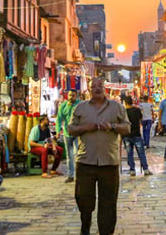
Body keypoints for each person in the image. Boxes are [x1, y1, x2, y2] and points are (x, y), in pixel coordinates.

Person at [68, 78, 130, 235]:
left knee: (108, 202)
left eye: (99, 86)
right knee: (83, 199)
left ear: (105, 88)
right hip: (85, 161)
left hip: (109, 162)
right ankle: (85, 228)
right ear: (89, 90)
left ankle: (106, 232)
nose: (96, 89)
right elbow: (70, 129)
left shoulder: (116, 107)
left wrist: (113, 126)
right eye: (93, 87)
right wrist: (85, 128)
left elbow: (127, 128)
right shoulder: (80, 108)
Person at [122, 96, 151, 176]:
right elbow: (141, 119)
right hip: (136, 134)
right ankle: (145, 169)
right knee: (141, 153)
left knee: (129, 153)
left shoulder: (123, 112)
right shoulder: (137, 110)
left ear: (125, 103)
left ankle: (132, 170)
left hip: (126, 135)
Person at [28, 114, 63, 178]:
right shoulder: (36, 129)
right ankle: (44, 172)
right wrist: (42, 145)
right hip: (34, 147)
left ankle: (53, 170)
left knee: (59, 149)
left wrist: (54, 147)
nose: (48, 121)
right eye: (47, 119)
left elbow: (50, 139)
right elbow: (31, 143)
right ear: (42, 121)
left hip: (43, 145)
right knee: (44, 150)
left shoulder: (46, 129)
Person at [57, 89, 81, 183]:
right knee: (69, 155)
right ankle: (70, 175)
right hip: (67, 134)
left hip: (78, 133)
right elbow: (59, 119)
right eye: (70, 95)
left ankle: (79, 174)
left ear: (76, 96)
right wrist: (58, 131)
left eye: (73, 95)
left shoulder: (80, 105)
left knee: (78, 154)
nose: (71, 97)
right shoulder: (63, 106)